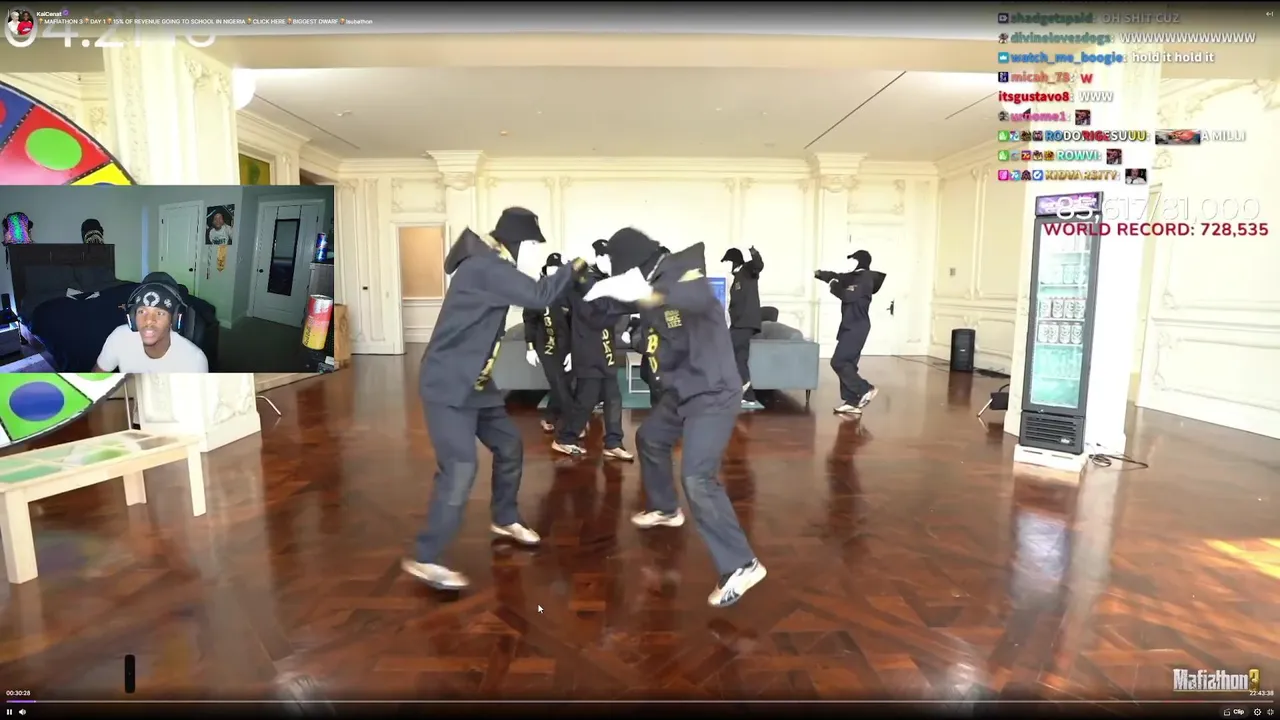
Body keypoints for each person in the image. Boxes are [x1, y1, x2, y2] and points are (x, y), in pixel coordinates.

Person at [404, 207, 587, 591]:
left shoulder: (488, 264)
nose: (534, 251)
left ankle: (505, 517)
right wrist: (575, 266)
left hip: (476, 384)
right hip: (448, 384)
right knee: (459, 469)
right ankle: (426, 557)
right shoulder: (486, 267)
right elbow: (539, 295)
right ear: (518, 242)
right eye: (533, 244)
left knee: (509, 445)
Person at [585, 228, 766, 608]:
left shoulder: (684, 272)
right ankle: (666, 508)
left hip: (713, 392)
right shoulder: (653, 286)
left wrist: (645, 295)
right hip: (682, 391)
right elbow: (649, 330)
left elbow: (693, 297)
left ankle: (742, 565)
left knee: (698, 477)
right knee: (650, 437)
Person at [551, 241, 633, 461]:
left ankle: (613, 443)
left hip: (605, 351)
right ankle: (565, 438)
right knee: (586, 400)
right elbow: (595, 316)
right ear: (599, 258)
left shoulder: (606, 282)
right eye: (609, 258)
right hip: (588, 351)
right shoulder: (584, 283)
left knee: (613, 397)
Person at [814, 250, 885, 415]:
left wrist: (833, 284)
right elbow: (837, 276)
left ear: (859, 262)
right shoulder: (855, 277)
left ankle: (865, 388)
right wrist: (820, 274)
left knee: (838, 362)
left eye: (852, 260)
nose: (849, 263)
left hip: (857, 327)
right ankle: (852, 402)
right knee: (848, 364)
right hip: (850, 325)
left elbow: (847, 295)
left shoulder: (865, 279)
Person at [93, 272, 209, 373]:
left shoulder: (194, 360)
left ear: (174, 319)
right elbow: (94, 379)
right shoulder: (119, 337)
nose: (148, 320)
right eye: (142, 311)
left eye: (160, 313)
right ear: (132, 317)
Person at [522, 253, 573, 433]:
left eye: (558, 268)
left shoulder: (570, 291)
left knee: (564, 383)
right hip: (546, 345)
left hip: (566, 346)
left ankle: (550, 416)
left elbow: (577, 323)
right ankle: (574, 422)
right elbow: (529, 320)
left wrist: (573, 351)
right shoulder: (538, 291)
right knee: (557, 381)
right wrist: (530, 347)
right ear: (546, 269)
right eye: (551, 268)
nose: (554, 271)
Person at [721, 246, 765, 411]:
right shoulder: (737, 277)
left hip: (745, 323)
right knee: (740, 358)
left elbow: (758, 265)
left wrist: (754, 252)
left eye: (727, 261)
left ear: (734, 261)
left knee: (728, 352)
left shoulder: (747, 270)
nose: (726, 265)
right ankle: (748, 395)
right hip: (738, 324)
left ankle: (737, 390)